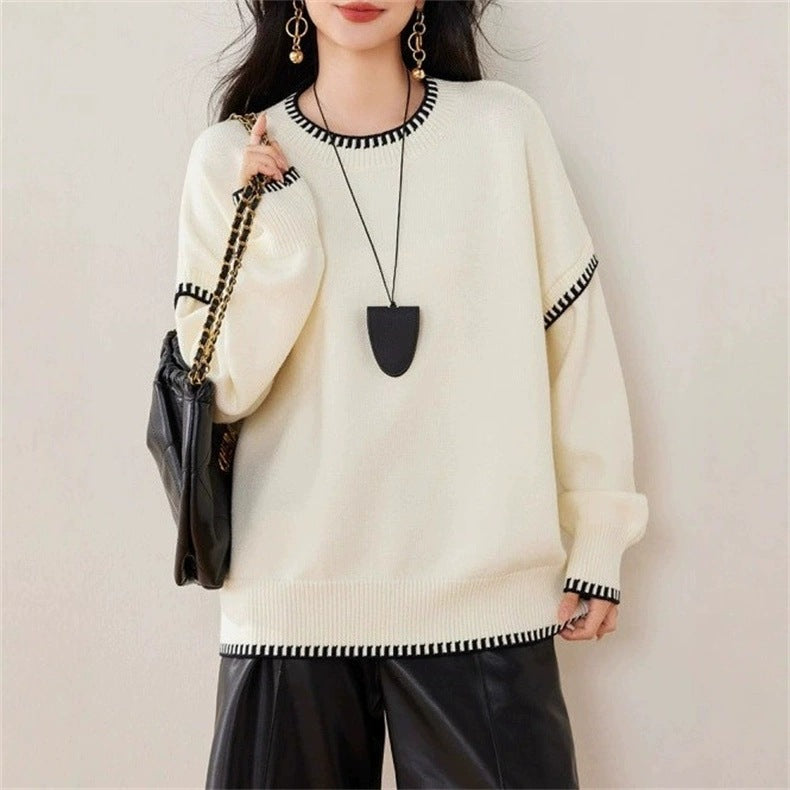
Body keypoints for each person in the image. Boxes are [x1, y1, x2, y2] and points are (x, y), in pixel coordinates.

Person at [172, 1, 649, 787]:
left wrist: (599, 535)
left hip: (482, 600)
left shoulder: (503, 131)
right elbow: (218, 390)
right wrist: (281, 233)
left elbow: (577, 343)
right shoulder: (234, 156)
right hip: (291, 606)